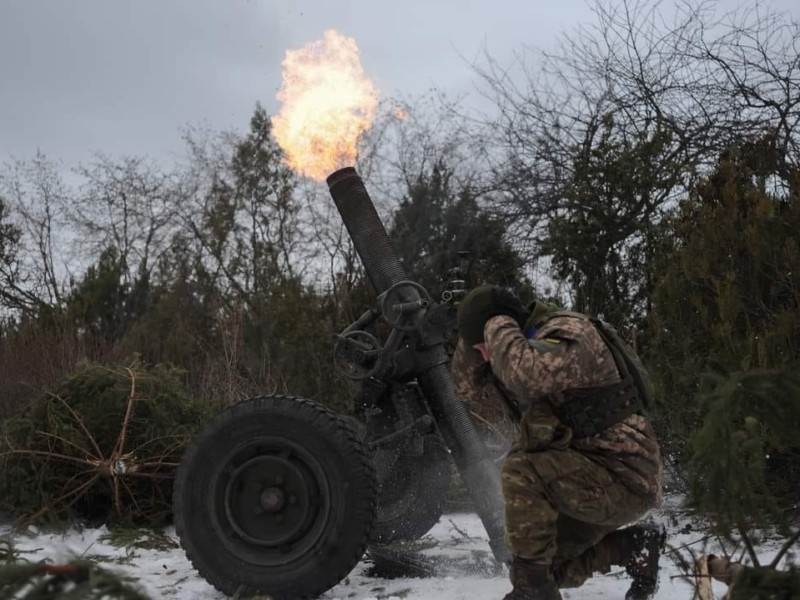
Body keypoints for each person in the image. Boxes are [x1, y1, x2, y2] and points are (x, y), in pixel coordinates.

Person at [452, 285, 664, 600]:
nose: (486, 355)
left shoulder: (571, 333)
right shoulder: (527, 344)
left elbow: (524, 375)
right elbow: (465, 390)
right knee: (537, 564)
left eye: (487, 347)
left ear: (506, 326)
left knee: (522, 470)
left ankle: (533, 596)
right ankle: (633, 547)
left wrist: (494, 322)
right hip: (589, 477)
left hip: (624, 478)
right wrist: (472, 334)